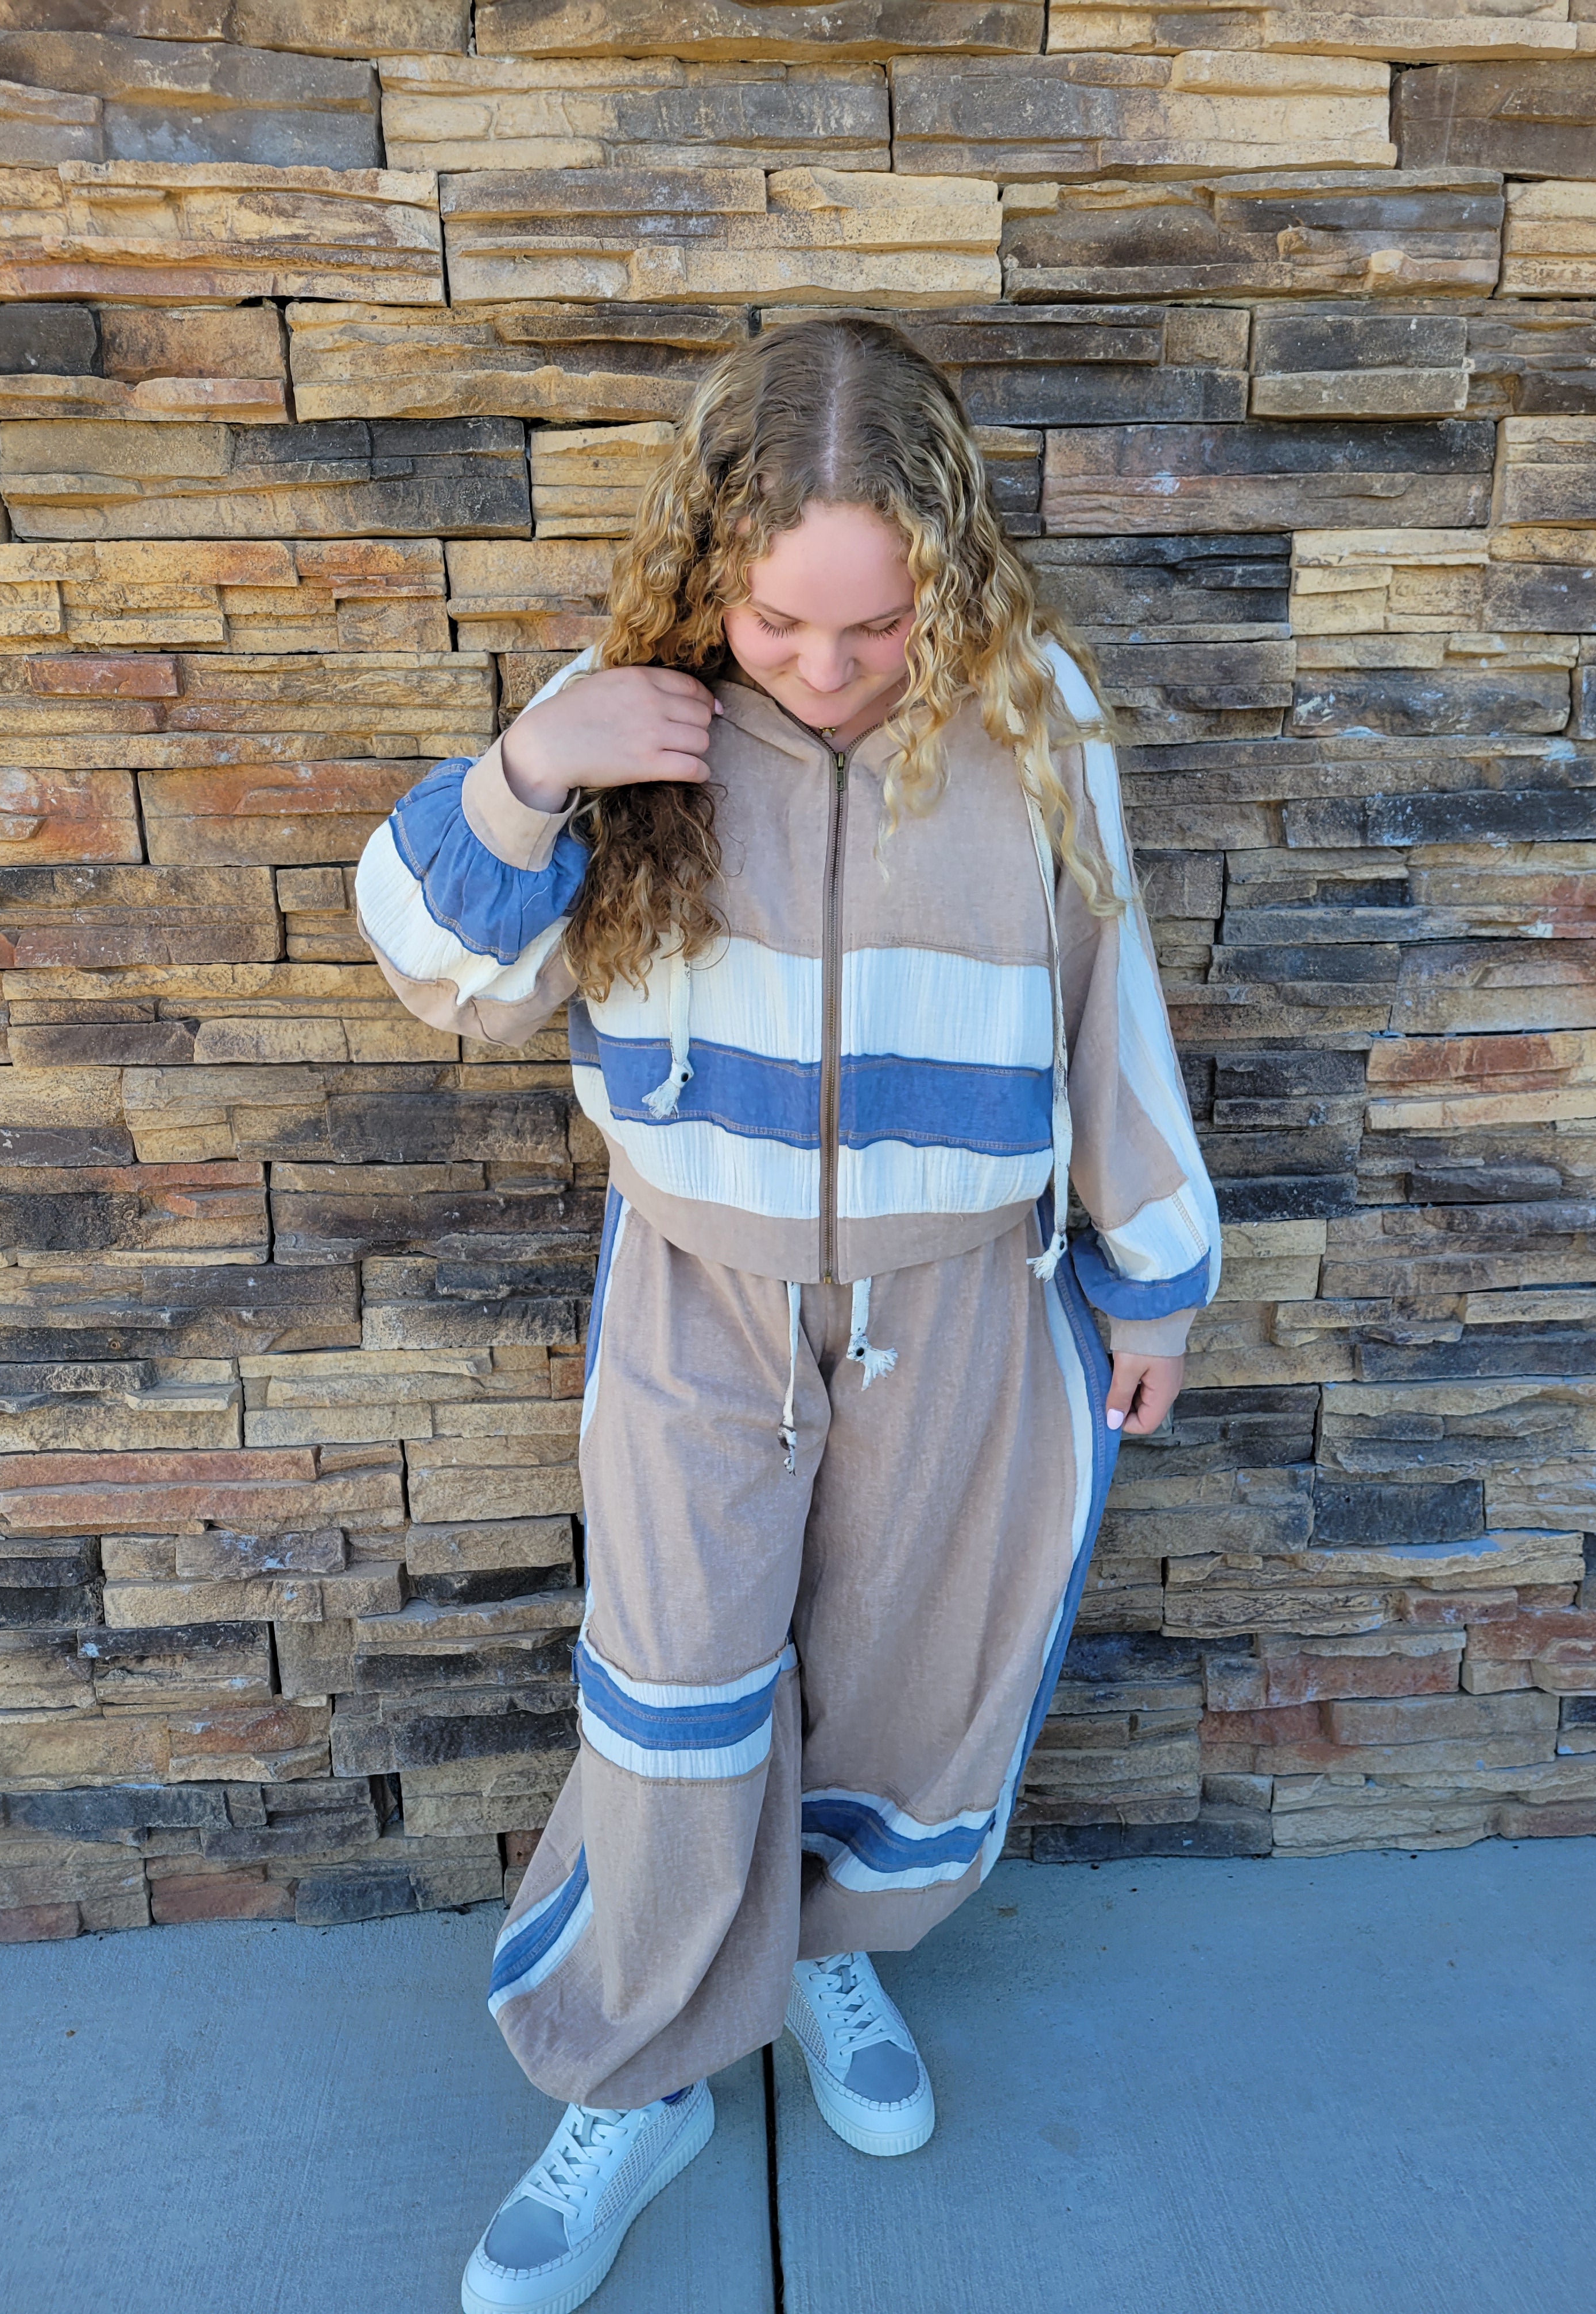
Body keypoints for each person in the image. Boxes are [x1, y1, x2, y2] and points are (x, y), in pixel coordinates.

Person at [356, 313, 1220, 2314]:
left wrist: (1153, 1276)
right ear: (711, 574)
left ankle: (826, 1957)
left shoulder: (1032, 715)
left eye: (878, 626)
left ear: (950, 575)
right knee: (674, 1693)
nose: (826, 670)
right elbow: (446, 977)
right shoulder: (618, 718)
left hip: (967, 1304)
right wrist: (526, 773)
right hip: (701, 1294)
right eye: (778, 624)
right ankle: (642, 2072)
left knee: (908, 1673)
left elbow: (1112, 1002)